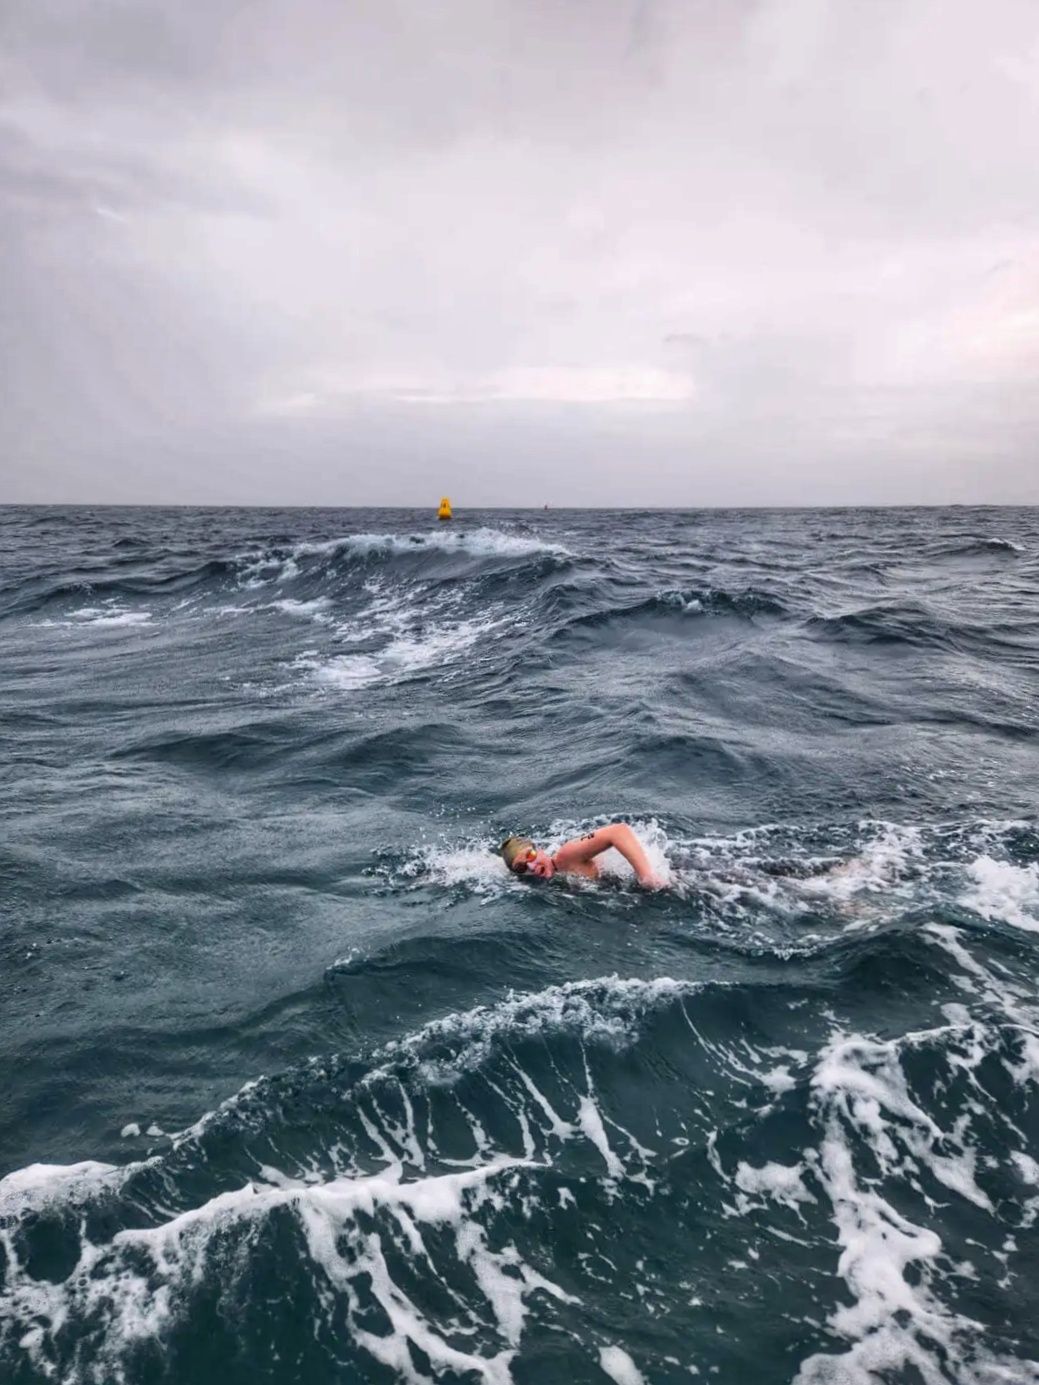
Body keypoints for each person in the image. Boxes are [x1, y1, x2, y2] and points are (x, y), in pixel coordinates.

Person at [498, 822, 666, 889]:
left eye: (530, 855)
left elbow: (617, 830)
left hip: (671, 873)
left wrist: (646, 875)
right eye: (521, 867)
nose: (531, 866)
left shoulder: (566, 855)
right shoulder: (554, 876)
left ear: (539, 848)